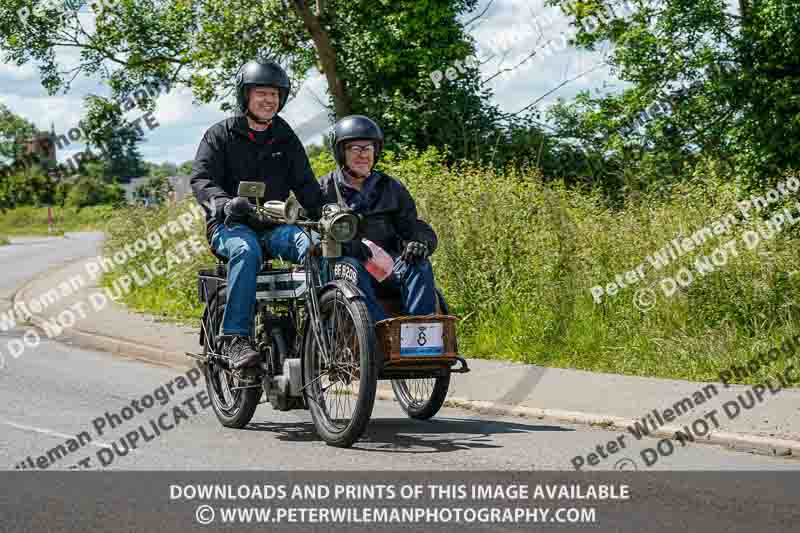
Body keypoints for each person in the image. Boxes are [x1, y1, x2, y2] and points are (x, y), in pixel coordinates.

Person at [190, 59, 323, 370]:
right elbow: (201, 180)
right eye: (261, 93)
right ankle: (235, 338)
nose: (269, 100)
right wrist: (223, 203)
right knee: (246, 250)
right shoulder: (219, 135)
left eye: (275, 94)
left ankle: (322, 326)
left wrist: (326, 213)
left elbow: (305, 184)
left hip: (275, 226)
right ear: (245, 96)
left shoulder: (285, 136)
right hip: (230, 226)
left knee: (312, 244)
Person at [318, 115, 439, 323]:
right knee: (351, 266)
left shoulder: (392, 187)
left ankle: (422, 335)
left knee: (420, 264)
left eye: (368, 148)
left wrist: (419, 242)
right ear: (341, 153)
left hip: (388, 268)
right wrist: (345, 246)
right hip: (345, 268)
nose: (363, 154)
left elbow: (413, 226)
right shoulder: (323, 189)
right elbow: (309, 231)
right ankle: (380, 335)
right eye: (355, 148)